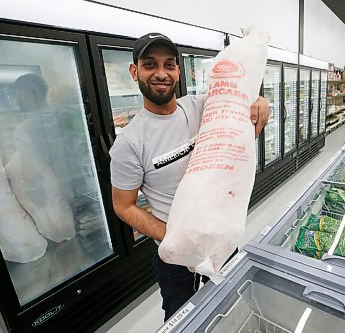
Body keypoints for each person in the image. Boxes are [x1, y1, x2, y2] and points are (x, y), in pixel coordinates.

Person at [109, 33, 269, 321]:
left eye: (169, 65)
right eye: (149, 64)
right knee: (181, 317)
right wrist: (174, 237)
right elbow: (123, 205)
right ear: (135, 72)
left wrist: (260, 101)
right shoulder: (129, 143)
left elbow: (242, 96)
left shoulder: (203, 107)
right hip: (174, 254)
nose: (161, 73)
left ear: (178, 71)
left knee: (232, 307)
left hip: (221, 240)